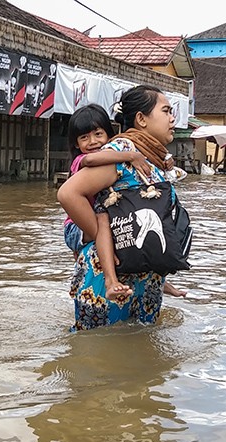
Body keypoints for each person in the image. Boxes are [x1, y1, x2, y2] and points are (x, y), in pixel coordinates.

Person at [57, 85, 187, 331]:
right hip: (108, 281)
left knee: (144, 358)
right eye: (166, 111)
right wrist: (101, 236)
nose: (173, 118)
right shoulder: (120, 153)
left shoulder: (151, 158)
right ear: (141, 119)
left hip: (146, 282)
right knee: (92, 357)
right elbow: (68, 193)